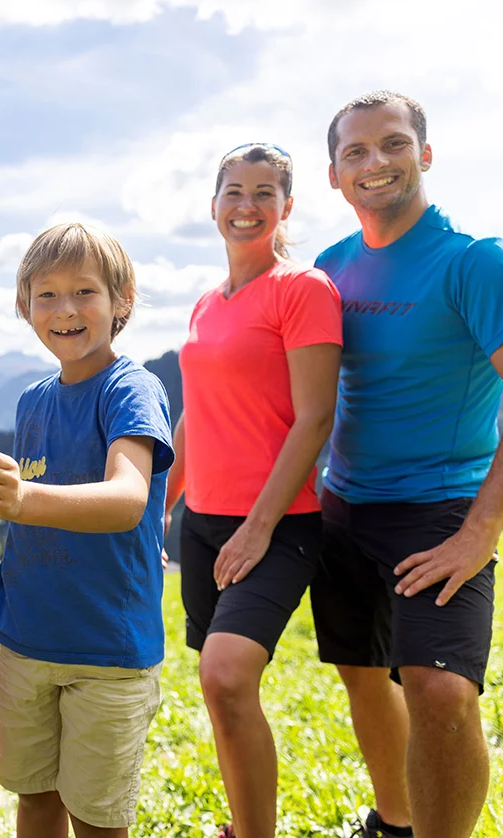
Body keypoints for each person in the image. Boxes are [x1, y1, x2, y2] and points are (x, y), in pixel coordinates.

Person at [312, 91, 503, 838]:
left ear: (426, 154)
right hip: (343, 509)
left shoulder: (477, 261)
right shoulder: (329, 268)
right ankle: (392, 823)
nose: (375, 161)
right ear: (335, 175)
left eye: (393, 143)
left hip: (440, 510)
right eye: (355, 151)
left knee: (441, 694)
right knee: (362, 673)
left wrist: (480, 533)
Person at [0, 222, 174, 838]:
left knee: (96, 820)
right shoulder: (32, 399)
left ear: (121, 301)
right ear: (24, 304)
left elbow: (127, 499)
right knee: (35, 801)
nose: (65, 310)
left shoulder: (131, 388)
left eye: (85, 291)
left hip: (106, 650)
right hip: (27, 640)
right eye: (47, 294)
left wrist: (23, 498)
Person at [162, 144, 342, 838]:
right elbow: (197, 412)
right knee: (222, 693)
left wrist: (259, 528)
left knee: (227, 675)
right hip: (203, 523)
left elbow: (315, 417)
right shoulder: (208, 303)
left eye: (265, 193)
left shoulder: (303, 289)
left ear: (287, 206)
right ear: (213, 205)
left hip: (278, 523)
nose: (247, 206)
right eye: (234, 191)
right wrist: (162, 501)